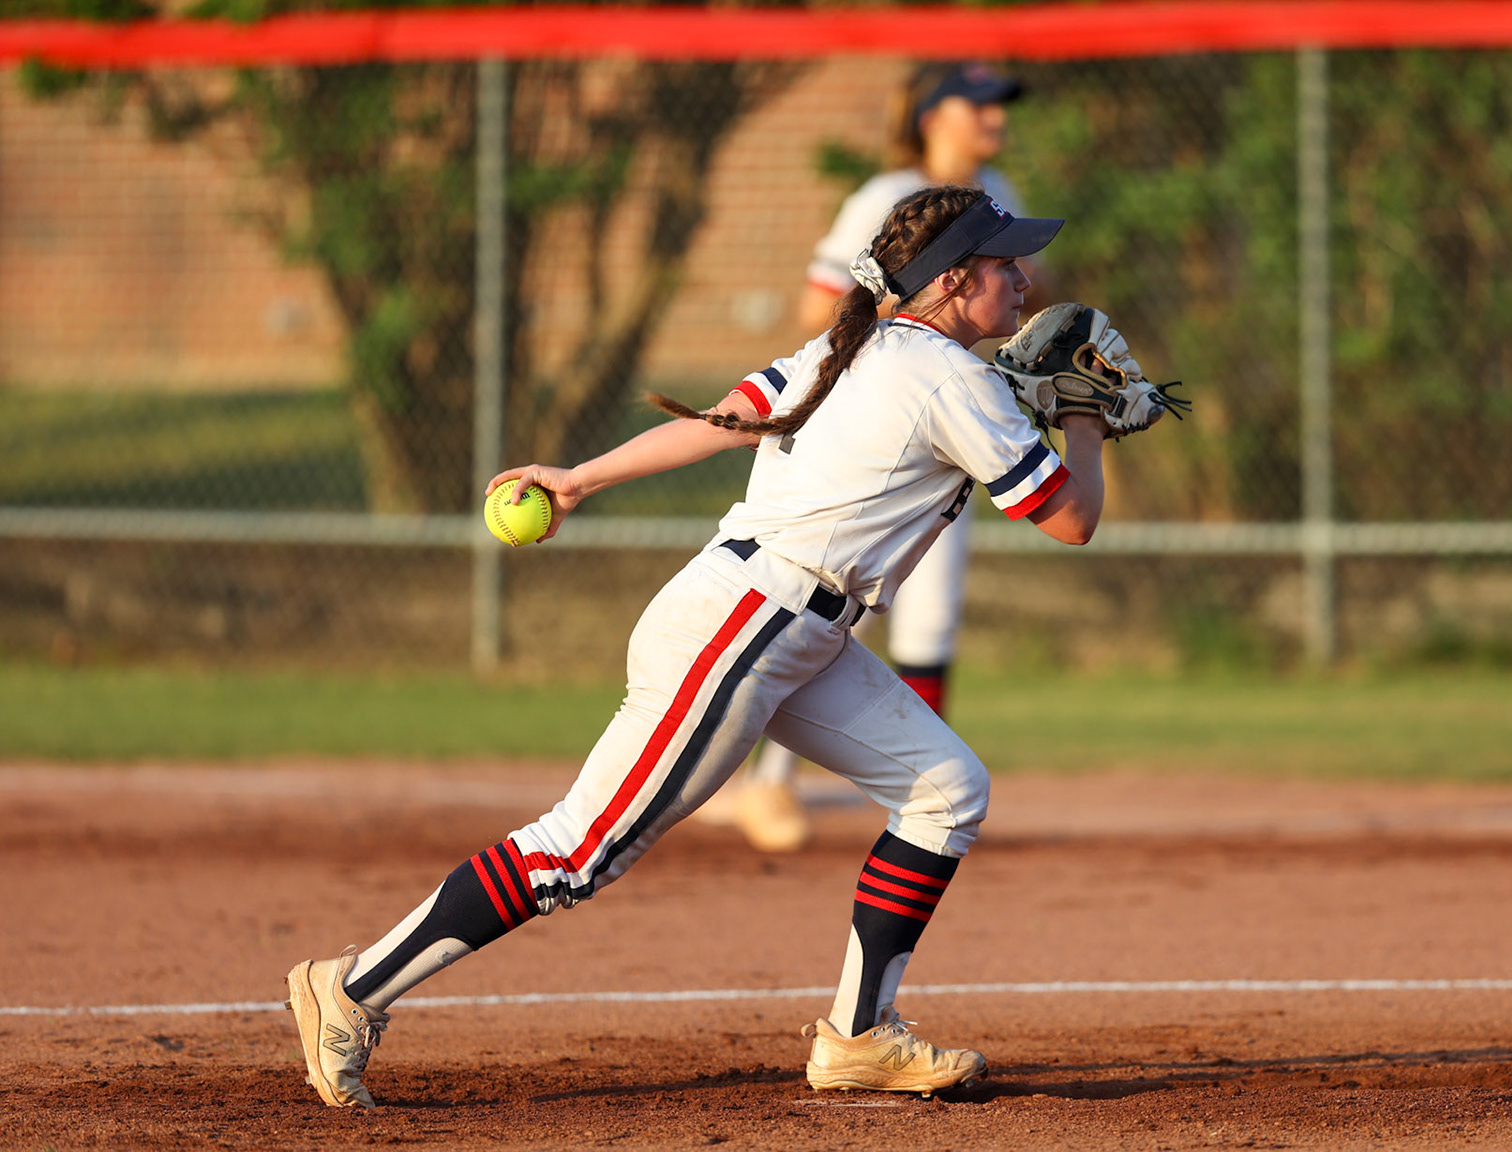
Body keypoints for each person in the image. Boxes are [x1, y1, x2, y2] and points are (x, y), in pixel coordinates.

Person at [285, 187, 1112, 1107]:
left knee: (945, 791)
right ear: (953, 280)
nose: (1026, 280)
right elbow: (1071, 518)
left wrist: (581, 477)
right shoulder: (946, 377)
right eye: (1005, 265)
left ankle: (860, 1037)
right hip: (748, 627)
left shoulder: (870, 349)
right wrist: (1085, 418)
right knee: (578, 850)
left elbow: (721, 422)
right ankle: (349, 990)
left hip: (787, 629)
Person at [727, 62, 1030, 853]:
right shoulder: (882, 196)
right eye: (980, 103)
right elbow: (819, 305)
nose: (995, 118)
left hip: (955, 442)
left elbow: (1024, 302)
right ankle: (770, 787)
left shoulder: (1002, 192)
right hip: (878, 442)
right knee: (835, 613)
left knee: (931, 621)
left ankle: (918, 801)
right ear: (933, 116)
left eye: (1000, 105)